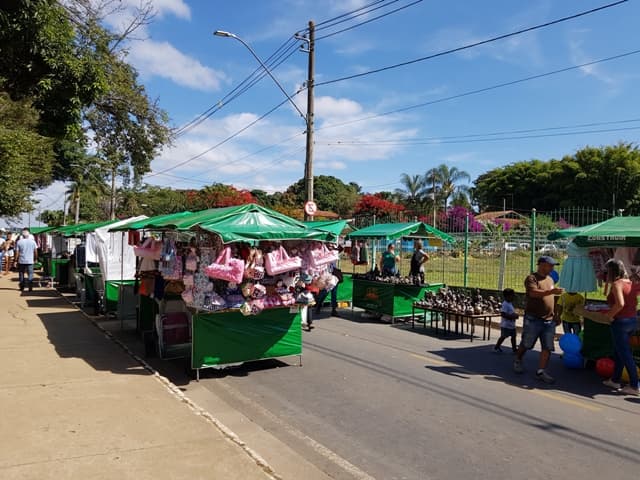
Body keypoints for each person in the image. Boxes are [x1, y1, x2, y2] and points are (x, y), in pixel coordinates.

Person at [513, 256, 564, 383]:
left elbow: (553, 297)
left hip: (549, 319)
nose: (552, 268)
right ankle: (518, 359)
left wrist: (556, 315)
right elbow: (533, 293)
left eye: (553, 266)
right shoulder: (532, 278)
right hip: (533, 318)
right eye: (550, 265)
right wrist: (550, 292)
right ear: (541, 265)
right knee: (527, 343)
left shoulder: (551, 279)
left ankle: (541, 371)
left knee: (547, 347)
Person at [601, 259, 640, 395]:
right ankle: (615, 379)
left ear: (611, 272)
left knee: (625, 354)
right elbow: (633, 296)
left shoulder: (617, 284)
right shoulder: (630, 282)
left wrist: (609, 316)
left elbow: (620, 304)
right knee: (619, 351)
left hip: (621, 322)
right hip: (632, 321)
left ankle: (634, 386)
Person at [494, 288, 518, 353]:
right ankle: (497, 346)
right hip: (506, 325)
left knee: (513, 336)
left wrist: (515, 315)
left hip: (512, 325)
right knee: (503, 336)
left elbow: (511, 312)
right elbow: (503, 314)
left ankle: (514, 349)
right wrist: (512, 316)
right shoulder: (505, 304)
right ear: (507, 296)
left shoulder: (510, 303)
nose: (513, 297)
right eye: (512, 296)